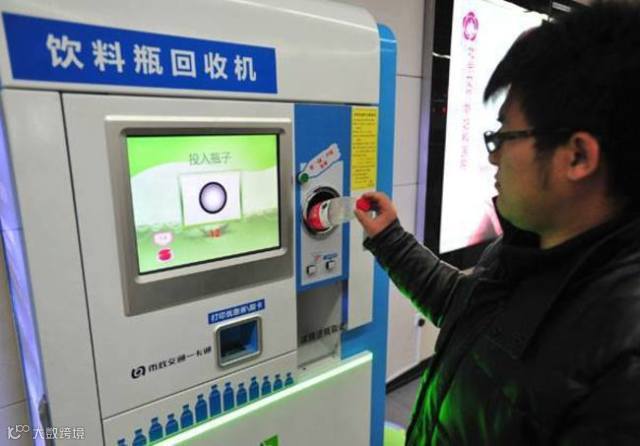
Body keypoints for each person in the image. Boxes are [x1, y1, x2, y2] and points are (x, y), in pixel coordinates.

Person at [354, 1, 640, 444]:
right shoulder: (530, 246)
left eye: (505, 135)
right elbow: (468, 311)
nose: (494, 156)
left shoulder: (623, 366)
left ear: (578, 156)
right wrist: (391, 240)